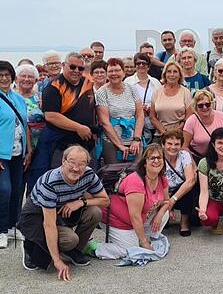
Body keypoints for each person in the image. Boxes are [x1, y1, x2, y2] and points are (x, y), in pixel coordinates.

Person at [17, 145, 109, 278]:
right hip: (39, 215)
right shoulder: (51, 182)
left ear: (87, 164)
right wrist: (57, 261)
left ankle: (74, 251)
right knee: (68, 240)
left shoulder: (89, 174)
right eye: (72, 162)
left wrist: (81, 202)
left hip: (63, 209)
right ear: (63, 161)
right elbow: (48, 225)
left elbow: (105, 200)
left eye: (81, 164)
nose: (76, 168)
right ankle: (30, 242)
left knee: (95, 212)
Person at [0, 61, 33, 249]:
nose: (4, 78)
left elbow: (25, 125)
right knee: (4, 190)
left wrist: (29, 150)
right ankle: (1, 230)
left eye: (7, 74)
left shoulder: (17, 98)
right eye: (0, 75)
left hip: (17, 152)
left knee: (17, 191)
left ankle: (12, 226)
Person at [28, 52, 97, 190]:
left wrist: (93, 129)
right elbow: (51, 116)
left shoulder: (88, 83)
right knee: (60, 181)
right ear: (64, 66)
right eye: (72, 67)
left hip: (86, 141)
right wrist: (78, 127)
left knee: (86, 180)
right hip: (60, 143)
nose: (76, 71)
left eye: (80, 68)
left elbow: (92, 108)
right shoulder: (54, 87)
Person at [95, 144, 171, 259]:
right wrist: (144, 243)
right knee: (130, 250)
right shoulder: (136, 181)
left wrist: (159, 214)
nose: (156, 161)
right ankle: (95, 248)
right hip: (117, 219)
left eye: (159, 158)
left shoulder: (162, 178)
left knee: (165, 213)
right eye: (152, 158)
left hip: (141, 217)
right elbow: (135, 216)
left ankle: (142, 237)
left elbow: (166, 201)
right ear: (145, 162)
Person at [95, 58, 144, 164]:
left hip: (133, 136)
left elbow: (140, 114)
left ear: (123, 72)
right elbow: (104, 122)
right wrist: (119, 145)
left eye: (117, 70)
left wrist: (136, 139)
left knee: (137, 171)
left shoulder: (132, 89)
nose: (114, 74)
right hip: (111, 140)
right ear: (107, 74)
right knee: (114, 173)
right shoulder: (102, 92)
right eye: (111, 71)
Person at [183, 89, 223, 160]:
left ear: (212, 104)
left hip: (218, 157)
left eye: (207, 104)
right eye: (200, 105)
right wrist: (193, 166)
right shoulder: (191, 121)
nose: (204, 107)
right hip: (198, 157)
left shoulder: (220, 115)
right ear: (195, 106)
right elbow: (185, 147)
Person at [161, 129, 197, 236]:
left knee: (188, 187)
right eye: (169, 144)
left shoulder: (184, 155)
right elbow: (157, 182)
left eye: (177, 144)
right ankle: (164, 214)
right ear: (163, 145)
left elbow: (190, 180)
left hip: (179, 193)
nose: (173, 147)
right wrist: (167, 202)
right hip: (162, 191)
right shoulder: (159, 157)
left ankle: (184, 222)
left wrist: (172, 200)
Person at [149, 60, 192, 138]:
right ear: (165, 74)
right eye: (169, 71)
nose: (172, 74)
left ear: (180, 75)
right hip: (160, 134)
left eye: (175, 72)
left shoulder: (186, 92)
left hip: (180, 134)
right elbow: (152, 117)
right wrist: (163, 132)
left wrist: (176, 131)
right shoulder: (157, 92)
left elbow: (188, 117)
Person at [125, 52, 162, 143]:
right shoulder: (127, 82)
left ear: (148, 66)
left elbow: (161, 102)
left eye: (144, 63)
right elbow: (124, 103)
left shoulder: (155, 83)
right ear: (135, 65)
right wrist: (139, 109)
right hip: (134, 126)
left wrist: (151, 109)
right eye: (138, 63)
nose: (141, 65)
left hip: (153, 125)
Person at [16, 64, 45, 148]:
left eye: (30, 77)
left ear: (36, 80)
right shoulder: (11, 97)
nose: (26, 79)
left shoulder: (40, 97)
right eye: (23, 76)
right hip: (18, 142)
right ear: (16, 79)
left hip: (38, 141)